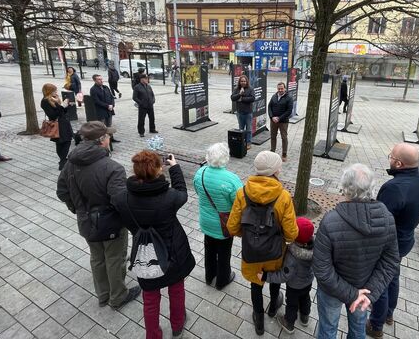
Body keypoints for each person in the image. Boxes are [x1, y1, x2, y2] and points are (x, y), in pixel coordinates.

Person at [57, 121, 141, 309]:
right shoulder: (113, 168)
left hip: (86, 221)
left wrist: (78, 209)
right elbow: (120, 201)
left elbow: (62, 192)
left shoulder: (70, 162)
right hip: (110, 224)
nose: (110, 138)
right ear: (101, 140)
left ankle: (103, 295)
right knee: (114, 258)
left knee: (97, 257)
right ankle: (118, 296)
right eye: (108, 135)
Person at [112, 150, 195, 339]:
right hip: (174, 254)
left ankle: (153, 335)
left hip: (145, 256)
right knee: (176, 290)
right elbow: (182, 191)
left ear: (135, 171)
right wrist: (175, 168)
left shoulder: (121, 199)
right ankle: (177, 325)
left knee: (149, 298)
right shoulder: (170, 197)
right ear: (158, 169)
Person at [313, 163, 399, 339]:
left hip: (332, 290)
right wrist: (368, 293)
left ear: (345, 189)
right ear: (371, 188)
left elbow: (322, 269)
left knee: (328, 330)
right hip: (365, 289)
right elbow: (390, 261)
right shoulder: (387, 219)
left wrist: (353, 294)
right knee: (358, 330)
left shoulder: (330, 221)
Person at [227, 151, 299, 335]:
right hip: (275, 253)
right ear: (275, 171)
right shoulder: (283, 197)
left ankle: (258, 319)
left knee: (255, 283)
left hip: (252, 253)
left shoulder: (242, 193)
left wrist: (249, 235)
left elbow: (232, 227)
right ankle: (273, 307)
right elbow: (291, 233)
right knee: (274, 280)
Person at [366, 144, 419, 338]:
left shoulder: (394, 188)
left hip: (389, 243)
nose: (389, 159)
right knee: (392, 275)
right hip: (405, 239)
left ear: (399, 163)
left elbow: (379, 220)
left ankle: (376, 325)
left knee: (380, 282)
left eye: (391, 157)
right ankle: (388, 314)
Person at [193, 143, 243, 290]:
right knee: (224, 254)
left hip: (206, 222)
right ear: (226, 158)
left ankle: (209, 277)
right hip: (224, 225)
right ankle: (222, 280)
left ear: (208, 157)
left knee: (209, 250)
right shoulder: (232, 179)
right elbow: (239, 203)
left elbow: (198, 192)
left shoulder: (200, 173)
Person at [258, 217, 314, 334]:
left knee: (292, 305)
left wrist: (266, 277)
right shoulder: (315, 248)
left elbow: (283, 276)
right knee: (305, 298)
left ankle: (289, 323)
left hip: (294, 287)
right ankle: (304, 317)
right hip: (308, 282)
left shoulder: (292, 257)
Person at [40, 83, 74, 170]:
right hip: (57, 125)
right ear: (49, 91)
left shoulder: (55, 99)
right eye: (54, 91)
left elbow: (63, 112)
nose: (56, 92)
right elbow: (53, 115)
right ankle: (63, 162)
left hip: (64, 123)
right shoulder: (45, 101)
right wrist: (62, 106)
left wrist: (66, 106)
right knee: (60, 143)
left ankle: (62, 161)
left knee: (67, 141)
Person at [89, 74, 120, 144]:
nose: (101, 81)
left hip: (109, 110)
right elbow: (96, 101)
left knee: (109, 125)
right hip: (101, 111)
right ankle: (103, 141)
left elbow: (111, 97)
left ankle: (111, 138)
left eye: (101, 79)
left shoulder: (106, 87)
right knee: (102, 127)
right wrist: (107, 106)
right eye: (99, 79)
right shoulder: (93, 89)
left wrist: (112, 105)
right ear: (94, 80)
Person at [268, 82, 293, 162]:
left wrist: (279, 118)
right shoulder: (274, 96)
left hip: (283, 121)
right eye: (279, 89)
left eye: (282, 88)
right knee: (273, 136)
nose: (280, 90)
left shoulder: (289, 98)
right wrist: (272, 117)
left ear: (285, 88)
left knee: (284, 137)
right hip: (273, 121)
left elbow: (289, 111)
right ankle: (272, 151)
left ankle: (284, 154)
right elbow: (269, 107)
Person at [230, 75, 255, 149]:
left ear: (246, 81)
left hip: (248, 112)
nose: (243, 82)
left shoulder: (250, 89)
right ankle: (242, 141)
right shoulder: (236, 89)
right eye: (241, 81)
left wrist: (242, 99)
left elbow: (253, 98)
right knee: (241, 129)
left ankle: (248, 143)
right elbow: (232, 98)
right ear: (239, 82)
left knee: (249, 129)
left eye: (244, 81)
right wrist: (239, 94)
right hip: (240, 112)